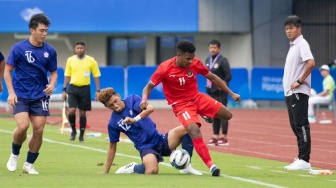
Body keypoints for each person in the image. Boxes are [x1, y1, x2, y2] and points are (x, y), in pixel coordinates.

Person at [140, 39, 240, 176]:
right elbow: (148, 86)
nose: (190, 62)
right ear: (179, 55)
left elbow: (213, 78)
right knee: (194, 131)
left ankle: (204, 113)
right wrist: (144, 100)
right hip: (181, 105)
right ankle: (212, 166)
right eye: (188, 59)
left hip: (198, 98)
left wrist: (231, 93)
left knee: (228, 115)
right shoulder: (165, 68)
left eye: (192, 58)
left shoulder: (195, 63)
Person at [96, 87, 202, 175]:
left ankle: (186, 166)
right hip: (145, 147)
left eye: (115, 101)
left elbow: (150, 108)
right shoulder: (113, 123)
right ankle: (133, 167)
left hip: (160, 139)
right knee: (152, 171)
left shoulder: (132, 99)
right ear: (106, 106)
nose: (115, 105)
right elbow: (112, 147)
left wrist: (134, 119)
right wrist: (106, 171)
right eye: (110, 105)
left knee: (188, 128)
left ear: (118, 96)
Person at [4, 13, 58, 174]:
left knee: (39, 130)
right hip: (20, 95)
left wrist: (52, 84)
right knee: (23, 126)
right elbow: (7, 71)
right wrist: (11, 92)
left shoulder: (50, 50)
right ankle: (14, 154)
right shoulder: (18, 48)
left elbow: (54, 73)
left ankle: (29, 164)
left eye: (46, 30)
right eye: (41, 30)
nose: (44, 34)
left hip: (40, 96)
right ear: (32, 30)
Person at [282, 15, 315, 171]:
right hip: (290, 92)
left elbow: (311, 63)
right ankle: (301, 157)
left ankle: (304, 159)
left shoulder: (302, 44)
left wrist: (300, 81)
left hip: (299, 92)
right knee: (295, 125)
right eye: (286, 28)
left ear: (299, 29)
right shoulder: (293, 46)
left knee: (301, 125)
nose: (288, 31)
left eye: (291, 28)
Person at [62, 42, 101, 142]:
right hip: (73, 88)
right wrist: (64, 89)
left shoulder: (91, 60)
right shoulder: (70, 60)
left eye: (81, 48)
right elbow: (67, 75)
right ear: (75, 49)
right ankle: (73, 130)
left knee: (82, 113)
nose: (79, 50)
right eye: (78, 48)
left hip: (85, 88)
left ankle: (81, 135)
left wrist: (98, 90)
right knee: (71, 110)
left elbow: (96, 75)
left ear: (85, 49)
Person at [204, 39, 232, 146]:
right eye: (211, 47)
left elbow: (228, 75)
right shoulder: (207, 60)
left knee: (223, 114)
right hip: (211, 92)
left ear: (219, 49)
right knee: (214, 113)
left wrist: (222, 85)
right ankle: (215, 136)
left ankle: (223, 137)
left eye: (214, 47)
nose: (212, 49)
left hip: (221, 93)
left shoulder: (223, 60)